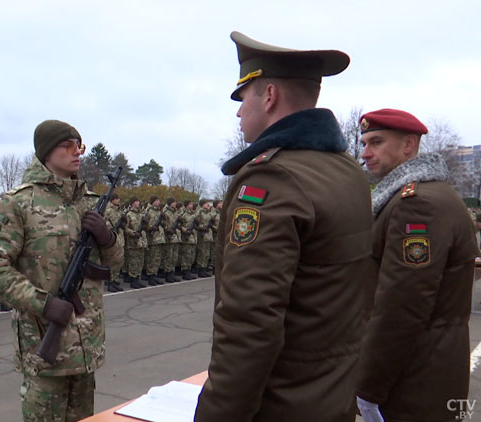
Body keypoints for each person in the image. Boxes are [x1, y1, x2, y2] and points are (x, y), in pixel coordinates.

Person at [194, 32, 372, 422]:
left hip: (280, 406)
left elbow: (249, 326)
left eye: (243, 100)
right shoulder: (348, 172)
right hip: (332, 397)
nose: (239, 114)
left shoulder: (272, 181)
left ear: (269, 96)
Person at [0, 119, 122, 421]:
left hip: (86, 348)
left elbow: (116, 265)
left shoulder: (90, 204)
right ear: (45, 152)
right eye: (67, 146)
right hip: (43, 345)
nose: (76, 152)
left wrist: (107, 239)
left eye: (79, 146)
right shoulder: (19, 203)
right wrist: (43, 303)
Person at [356, 109, 479, 422]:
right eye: (364, 143)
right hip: (429, 367)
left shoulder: (416, 204)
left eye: (376, 142)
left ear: (409, 145)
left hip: (415, 377)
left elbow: (401, 307)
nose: (365, 153)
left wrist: (368, 386)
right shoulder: (425, 194)